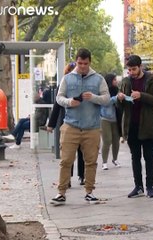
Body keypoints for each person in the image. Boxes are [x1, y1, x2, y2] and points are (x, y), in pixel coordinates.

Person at [49, 48, 110, 205]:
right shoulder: (68, 79)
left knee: (91, 161)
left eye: (85, 63)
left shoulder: (98, 79)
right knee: (66, 160)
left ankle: (89, 192)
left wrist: (94, 97)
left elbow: (106, 99)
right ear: (76, 61)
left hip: (92, 127)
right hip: (71, 125)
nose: (82, 66)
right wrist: (70, 102)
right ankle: (61, 192)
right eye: (80, 63)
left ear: (90, 62)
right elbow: (59, 98)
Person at [117, 55, 153, 198]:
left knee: (148, 156)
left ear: (140, 67)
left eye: (134, 69)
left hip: (148, 124)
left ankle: (150, 187)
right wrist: (120, 99)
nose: (131, 72)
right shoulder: (125, 81)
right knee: (135, 157)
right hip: (132, 124)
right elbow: (120, 106)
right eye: (129, 70)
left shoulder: (151, 79)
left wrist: (141, 95)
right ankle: (138, 186)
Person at [47, 62, 85, 187]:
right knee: (68, 153)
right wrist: (51, 124)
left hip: (83, 122)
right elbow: (57, 106)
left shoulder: (83, 85)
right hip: (67, 122)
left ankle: (81, 176)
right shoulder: (63, 86)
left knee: (81, 151)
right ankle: (68, 179)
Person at [100, 73, 122, 170]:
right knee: (107, 140)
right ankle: (104, 162)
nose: (116, 81)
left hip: (115, 119)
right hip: (105, 118)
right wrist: (116, 98)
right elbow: (106, 102)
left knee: (116, 140)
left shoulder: (117, 91)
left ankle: (115, 159)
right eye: (114, 80)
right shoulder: (103, 91)